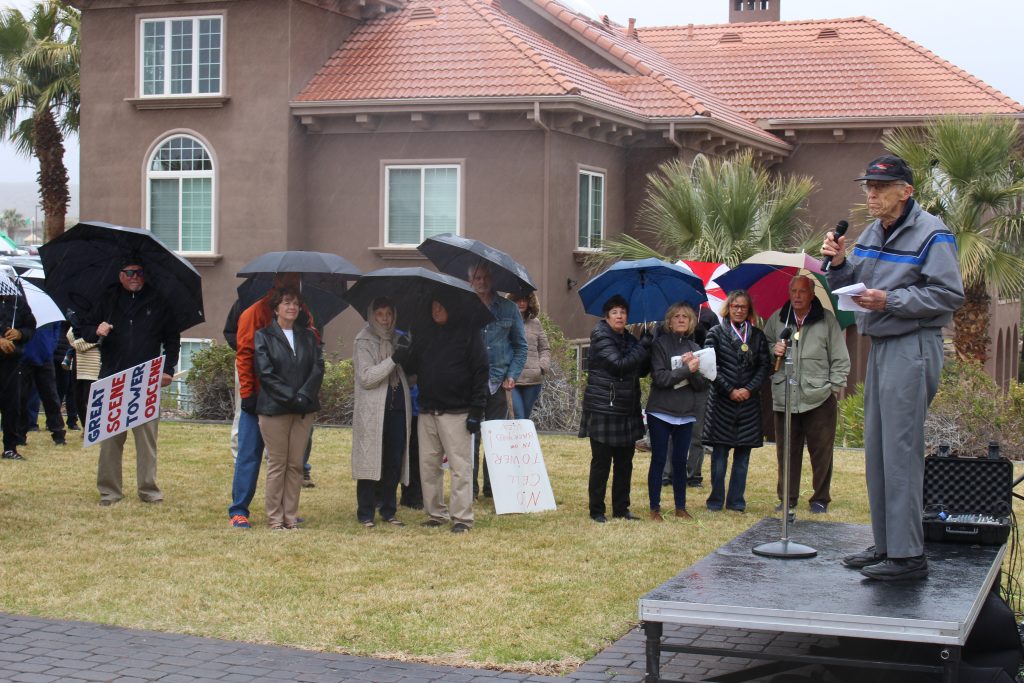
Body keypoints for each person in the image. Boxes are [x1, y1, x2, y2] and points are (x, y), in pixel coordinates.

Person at [823, 154, 964, 581]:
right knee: (879, 450)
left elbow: (947, 295)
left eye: (881, 188)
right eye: (868, 186)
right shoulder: (869, 232)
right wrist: (837, 263)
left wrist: (891, 301)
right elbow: (852, 285)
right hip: (882, 346)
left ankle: (908, 557)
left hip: (914, 344)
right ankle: (887, 545)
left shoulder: (933, 233)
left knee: (900, 451)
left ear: (906, 191)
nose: (871, 194)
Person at [81, 257, 179, 505]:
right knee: (111, 440)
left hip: (146, 379)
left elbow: (172, 339)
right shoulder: (107, 298)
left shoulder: (158, 301)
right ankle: (109, 491)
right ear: (120, 274)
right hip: (112, 378)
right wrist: (97, 331)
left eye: (140, 272)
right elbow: (85, 329)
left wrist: (167, 369)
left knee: (147, 441)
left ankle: (149, 491)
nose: (135, 276)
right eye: (130, 272)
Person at [229, 274, 317, 529]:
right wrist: (248, 394)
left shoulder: (303, 313)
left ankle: (285, 509)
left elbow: (311, 351)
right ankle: (239, 509)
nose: (291, 295)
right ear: (275, 286)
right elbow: (244, 355)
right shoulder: (253, 313)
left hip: (289, 401)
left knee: (290, 459)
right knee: (250, 453)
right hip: (259, 396)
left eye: (295, 287)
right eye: (285, 287)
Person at [763, 275, 850, 515]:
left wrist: (833, 387)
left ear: (812, 294)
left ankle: (820, 498)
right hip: (785, 396)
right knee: (786, 452)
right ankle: (787, 498)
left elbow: (841, 359)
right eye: (794, 291)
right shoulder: (778, 319)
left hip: (819, 397)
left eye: (802, 291)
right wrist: (774, 349)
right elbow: (764, 349)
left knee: (821, 452)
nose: (797, 296)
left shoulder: (827, 321)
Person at [405, 300, 488, 533]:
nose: (436, 310)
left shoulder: (469, 333)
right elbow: (413, 367)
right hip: (427, 410)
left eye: (441, 306)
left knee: (460, 467)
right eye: (432, 306)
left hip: (457, 412)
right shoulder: (425, 333)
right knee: (428, 466)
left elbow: (481, 371)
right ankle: (435, 513)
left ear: (453, 307)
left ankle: (462, 518)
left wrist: (476, 410)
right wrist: (406, 350)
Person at [254, 287, 324, 530]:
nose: (292, 307)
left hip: (303, 409)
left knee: (295, 464)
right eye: (286, 303)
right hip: (274, 409)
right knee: (278, 463)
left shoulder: (308, 336)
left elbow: (317, 367)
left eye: (296, 303)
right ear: (276, 308)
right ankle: (275, 518)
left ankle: (290, 517)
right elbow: (265, 373)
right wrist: (290, 397)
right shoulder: (263, 336)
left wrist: (303, 396)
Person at [579, 294, 650, 523]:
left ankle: (621, 508)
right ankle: (596, 510)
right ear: (607, 316)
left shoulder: (628, 339)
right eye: (615, 312)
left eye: (623, 312)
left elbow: (639, 370)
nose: (619, 316)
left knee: (624, 462)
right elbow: (618, 365)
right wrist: (642, 348)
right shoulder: (600, 336)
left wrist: (646, 348)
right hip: (604, 407)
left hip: (626, 408)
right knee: (601, 462)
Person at [701, 289, 769, 512]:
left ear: (749, 310)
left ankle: (736, 502)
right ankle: (715, 501)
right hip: (722, 402)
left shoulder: (757, 336)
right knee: (719, 456)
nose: (739, 310)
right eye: (735, 306)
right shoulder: (715, 333)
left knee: (743, 457)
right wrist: (730, 389)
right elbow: (710, 367)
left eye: (743, 307)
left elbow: (764, 367)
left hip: (748, 405)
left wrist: (748, 389)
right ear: (727, 308)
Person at [351, 297, 412, 527]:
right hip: (373, 411)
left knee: (393, 460)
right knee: (370, 459)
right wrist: (393, 359)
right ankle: (365, 512)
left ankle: (389, 510)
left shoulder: (397, 338)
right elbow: (367, 378)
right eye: (380, 314)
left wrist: (409, 355)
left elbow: (406, 375)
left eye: (388, 313)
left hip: (397, 407)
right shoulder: (363, 340)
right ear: (371, 315)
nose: (385, 319)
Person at [468, 262, 527, 498]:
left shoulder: (508, 308)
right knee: (471, 436)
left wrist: (512, 375)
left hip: (499, 382)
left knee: (496, 439)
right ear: (470, 281)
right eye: (476, 278)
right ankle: (469, 488)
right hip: (470, 382)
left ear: (492, 279)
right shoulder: (464, 307)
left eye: (485, 277)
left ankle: (492, 488)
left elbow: (520, 347)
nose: (481, 282)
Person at [646, 303, 706, 521]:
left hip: (685, 413)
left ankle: (681, 507)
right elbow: (661, 378)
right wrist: (685, 370)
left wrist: (693, 370)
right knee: (660, 459)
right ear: (669, 322)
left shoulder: (695, 346)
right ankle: (655, 508)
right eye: (676, 316)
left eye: (685, 317)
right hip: (660, 411)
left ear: (691, 322)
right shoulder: (659, 344)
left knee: (681, 461)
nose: (681, 319)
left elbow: (701, 385)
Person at [0, 266, 35, 460]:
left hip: (12, 363)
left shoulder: (18, 302)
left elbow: (31, 326)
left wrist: (20, 334)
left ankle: (10, 447)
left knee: (12, 404)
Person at [17, 321, 67, 446]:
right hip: (23, 358)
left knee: (51, 397)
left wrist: (51, 347)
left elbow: (57, 329)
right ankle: (20, 434)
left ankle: (58, 433)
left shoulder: (48, 314)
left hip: (45, 358)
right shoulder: (22, 313)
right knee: (21, 397)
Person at [506, 291, 550, 420]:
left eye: (525, 300)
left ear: (530, 302)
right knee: (518, 417)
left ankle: (518, 441)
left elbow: (545, 348)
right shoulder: (506, 321)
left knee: (524, 419)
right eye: (518, 300)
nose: (522, 303)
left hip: (533, 380)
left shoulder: (535, 323)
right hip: (512, 379)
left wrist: (542, 366)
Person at [67, 326, 101, 443]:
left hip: (93, 365)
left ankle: (95, 429)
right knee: (78, 399)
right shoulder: (78, 320)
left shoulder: (99, 320)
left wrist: (79, 343)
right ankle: (86, 427)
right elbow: (70, 335)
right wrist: (92, 342)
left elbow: (101, 338)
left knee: (91, 399)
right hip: (77, 365)